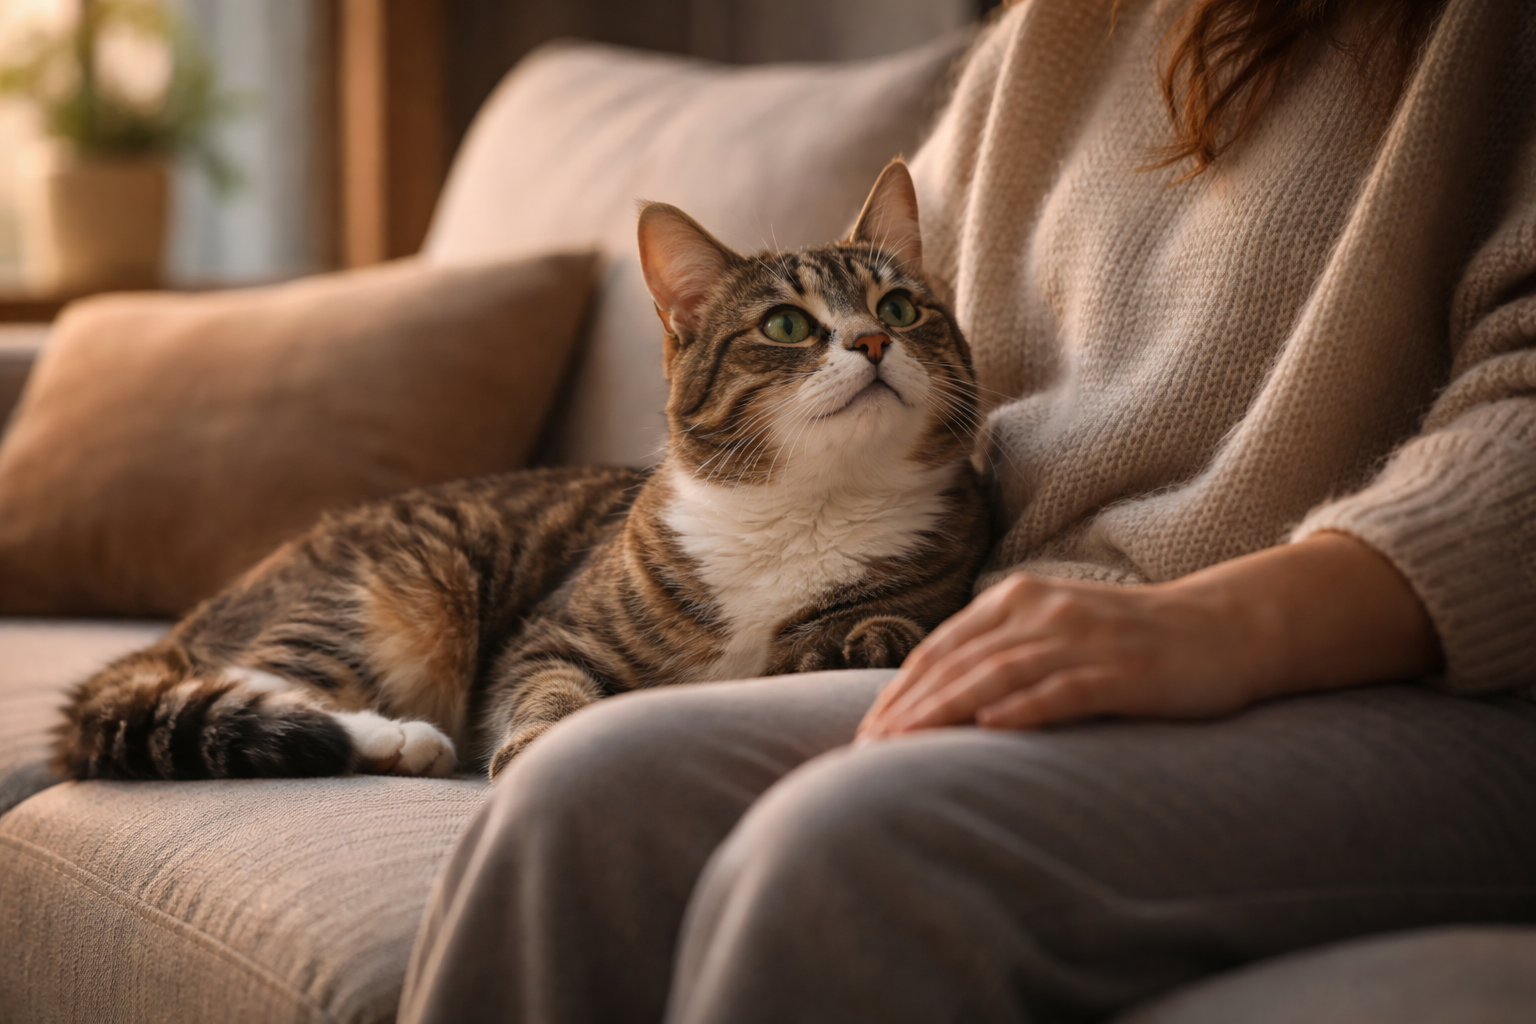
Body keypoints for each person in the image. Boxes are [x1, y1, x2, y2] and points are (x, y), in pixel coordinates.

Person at [399, 0, 1536, 1020]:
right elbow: (855, 294)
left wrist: (1217, 624)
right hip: (1021, 628)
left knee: (850, 853)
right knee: (579, 798)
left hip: (1388, 672)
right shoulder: (1055, 32)